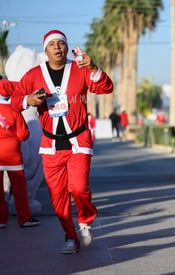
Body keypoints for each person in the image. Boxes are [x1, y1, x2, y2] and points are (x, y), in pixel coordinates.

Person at [11, 30, 113, 254]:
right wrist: (28, 99)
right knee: (57, 198)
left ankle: (85, 220)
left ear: (67, 48)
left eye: (61, 44)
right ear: (45, 50)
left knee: (78, 188)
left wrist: (94, 68)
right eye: (52, 45)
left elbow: (106, 87)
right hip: (51, 145)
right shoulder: (33, 75)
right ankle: (70, 237)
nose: (57, 47)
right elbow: (15, 100)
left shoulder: (80, 69)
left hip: (78, 140)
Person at [0, 80, 40, 229]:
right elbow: (23, 134)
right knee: (20, 189)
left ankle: (1, 220)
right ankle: (24, 218)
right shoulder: (14, 109)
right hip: (14, 157)